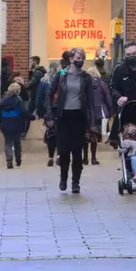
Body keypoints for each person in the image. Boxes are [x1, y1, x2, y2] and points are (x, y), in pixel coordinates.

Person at [50, 50, 95, 193]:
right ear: (70, 59)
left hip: (79, 116)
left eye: (82, 58)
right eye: (77, 58)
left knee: (77, 151)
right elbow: (49, 95)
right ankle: (63, 179)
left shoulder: (86, 77)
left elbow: (90, 100)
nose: (80, 60)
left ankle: (76, 182)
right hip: (63, 116)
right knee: (64, 151)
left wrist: (93, 121)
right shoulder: (61, 75)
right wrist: (49, 116)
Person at [0, 82, 30, 169]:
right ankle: (18, 160)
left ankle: (9, 161)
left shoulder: (3, 101)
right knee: (17, 143)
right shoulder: (19, 101)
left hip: (6, 126)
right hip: (17, 125)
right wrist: (32, 117)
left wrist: (0, 123)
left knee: (7, 143)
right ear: (18, 91)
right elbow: (23, 112)